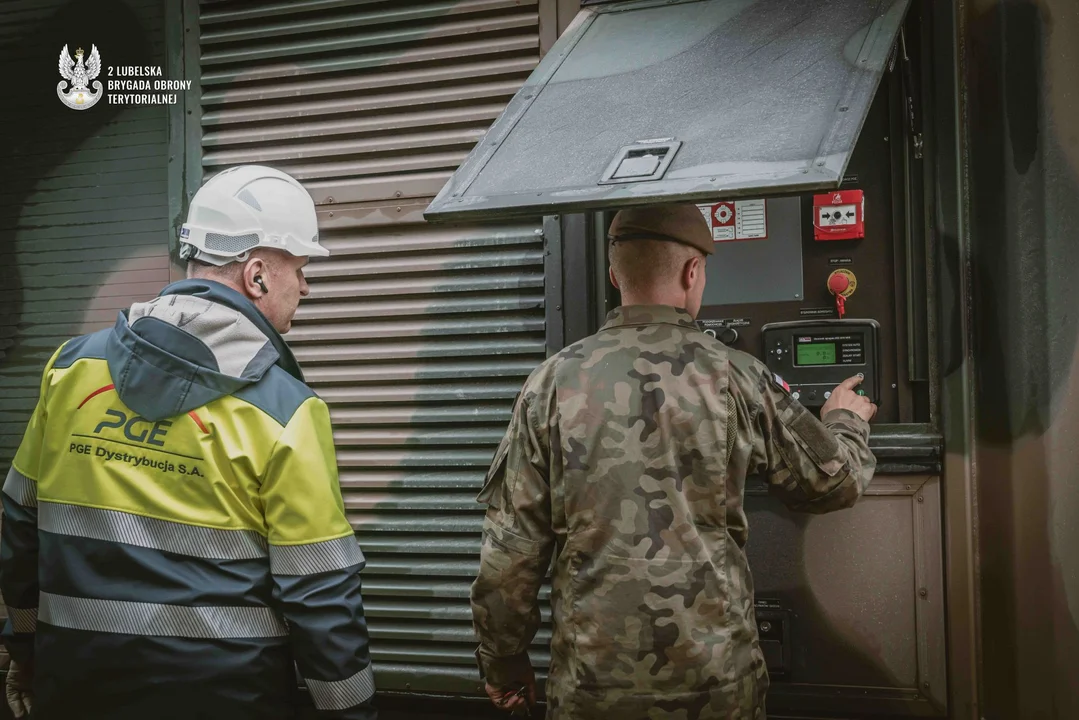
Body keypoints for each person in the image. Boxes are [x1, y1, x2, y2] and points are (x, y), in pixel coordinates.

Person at [469, 203, 878, 719]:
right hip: (716, 683)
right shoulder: (736, 376)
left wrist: (503, 663)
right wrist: (845, 421)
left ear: (615, 275)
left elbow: (510, 553)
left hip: (592, 687)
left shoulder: (549, 384)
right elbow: (832, 483)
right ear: (693, 271)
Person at [0, 165, 376, 720]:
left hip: (75, 686)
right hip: (227, 697)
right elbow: (319, 591)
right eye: (299, 268)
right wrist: (350, 712)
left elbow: (18, 528)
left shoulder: (73, 369)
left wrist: (26, 648)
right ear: (257, 276)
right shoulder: (284, 412)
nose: (306, 286)